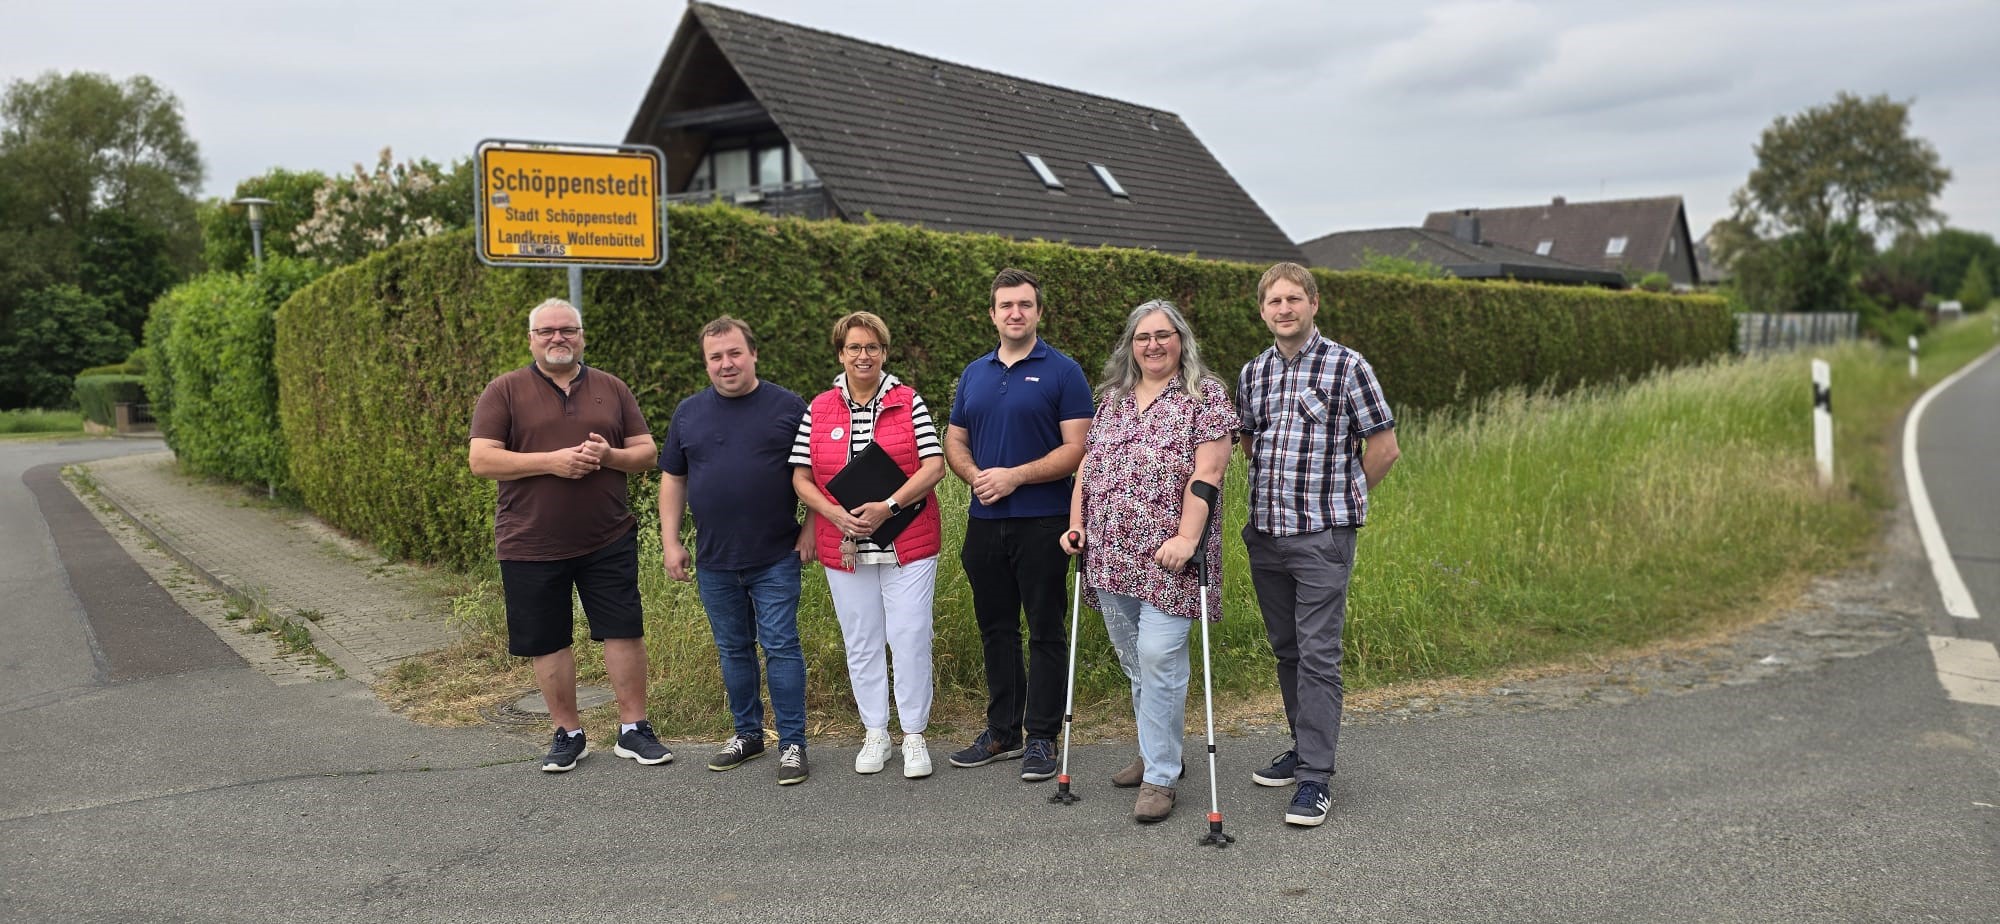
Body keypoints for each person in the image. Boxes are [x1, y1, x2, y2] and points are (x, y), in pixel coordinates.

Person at [468, 297, 669, 773]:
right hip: (529, 541)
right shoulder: (504, 390)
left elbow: (646, 452)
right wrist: (551, 462)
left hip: (608, 535)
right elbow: (481, 460)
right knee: (548, 638)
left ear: (581, 336)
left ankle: (633, 730)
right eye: (547, 331)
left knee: (623, 629)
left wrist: (610, 457)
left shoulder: (612, 389)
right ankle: (567, 733)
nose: (558, 338)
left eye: (567, 330)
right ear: (532, 339)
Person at [1236, 263, 1401, 827]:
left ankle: (1315, 780)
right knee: (1288, 651)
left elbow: (1384, 448)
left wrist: (1342, 501)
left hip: (1321, 537)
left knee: (1319, 655)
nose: (1284, 309)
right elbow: (1251, 444)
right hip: (1266, 535)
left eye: (1293, 299)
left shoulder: (1347, 366)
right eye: (1274, 301)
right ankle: (1303, 748)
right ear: (1263, 310)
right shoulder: (1253, 372)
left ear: (1313, 303)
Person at [1061, 300, 1235, 824]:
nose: (1153, 345)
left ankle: (1161, 776)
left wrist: (1187, 536)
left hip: (1169, 557)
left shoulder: (1206, 398)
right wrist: (1077, 524)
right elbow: (1088, 468)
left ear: (1181, 340)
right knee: (1136, 661)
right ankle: (1157, 748)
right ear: (1130, 346)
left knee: (1160, 658)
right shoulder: (1111, 400)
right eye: (1143, 337)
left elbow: (1209, 472)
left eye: (1163, 335)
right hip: (1111, 555)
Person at [944, 267, 1094, 781]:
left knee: (1046, 630)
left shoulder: (1064, 371)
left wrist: (1015, 478)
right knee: (997, 630)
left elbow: (1078, 449)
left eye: (1024, 305)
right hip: (984, 522)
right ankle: (1003, 731)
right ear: (992, 314)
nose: (1015, 313)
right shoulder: (974, 373)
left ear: (1038, 311)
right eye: (1006, 305)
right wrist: (976, 477)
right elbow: (955, 441)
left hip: (1043, 522)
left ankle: (1042, 737)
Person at [658, 317, 814, 786]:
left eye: (734, 354)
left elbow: (818, 473)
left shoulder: (788, 407)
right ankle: (747, 734)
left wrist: (811, 528)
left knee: (781, 646)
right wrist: (671, 541)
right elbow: (673, 478)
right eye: (715, 357)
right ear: (706, 362)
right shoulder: (688, 413)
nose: (726, 364)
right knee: (733, 650)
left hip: (776, 555)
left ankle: (792, 743)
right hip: (715, 560)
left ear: (753, 354)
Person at [791, 311, 948, 778]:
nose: (864, 355)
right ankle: (876, 732)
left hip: (908, 542)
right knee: (861, 641)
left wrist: (889, 506)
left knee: (910, 637)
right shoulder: (818, 408)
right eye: (854, 347)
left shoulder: (908, 401)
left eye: (872, 347)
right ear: (840, 353)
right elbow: (801, 476)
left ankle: (914, 735)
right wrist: (834, 513)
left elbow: (934, 466)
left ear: (884, 351)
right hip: (845, 544)